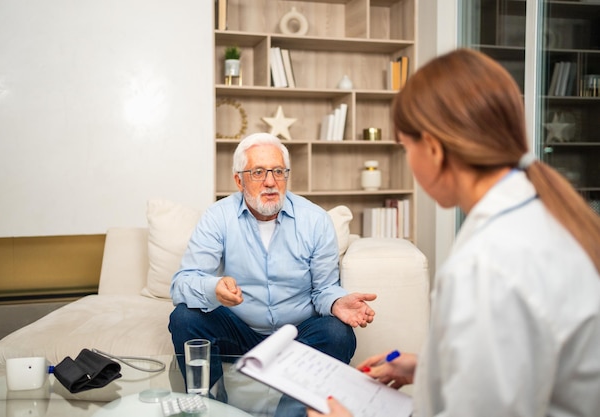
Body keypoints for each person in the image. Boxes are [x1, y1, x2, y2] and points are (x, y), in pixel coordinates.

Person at [309, 48, 600, 417]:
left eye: (405, 148)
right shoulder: (546, 215)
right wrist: (431, 370)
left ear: (431, 147)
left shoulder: (488, 261)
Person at [168, 132, 376, 410]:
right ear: (238, 179)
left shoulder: (315, 220)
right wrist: (213, 289)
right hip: (240, 332)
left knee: (338, 333)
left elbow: (324, 289)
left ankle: (290, 413)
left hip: (298, 336)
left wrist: (338, 302)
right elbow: (182, 283)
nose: (270, 182)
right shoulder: (218, 217)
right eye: (258, 172)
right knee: (184, 317)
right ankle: (215, 408)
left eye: (278, 171)